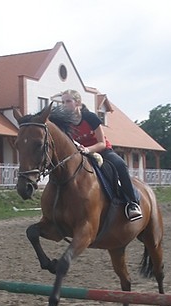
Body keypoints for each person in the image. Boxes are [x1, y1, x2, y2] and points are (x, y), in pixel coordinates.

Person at [59, 89, 143, 221]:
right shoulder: (64, 123)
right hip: (80, 154)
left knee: (119, 164)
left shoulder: (90, 118)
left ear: (78, 103)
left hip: (101, 150)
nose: (64, 104)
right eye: (62, 102)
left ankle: (132, 203)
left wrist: (87, 149)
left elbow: (102, 143)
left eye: (68, 101)